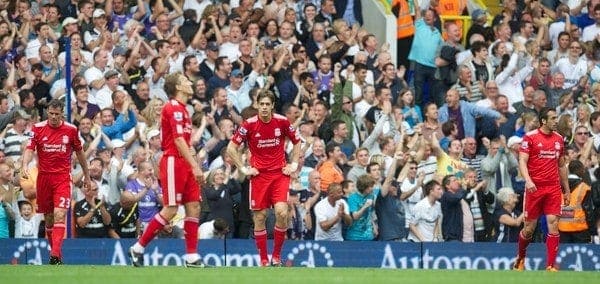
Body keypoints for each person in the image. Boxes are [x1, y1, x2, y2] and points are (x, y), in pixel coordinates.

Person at [129, 72, 206, 268]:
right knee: (171, 208)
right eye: (185, 80)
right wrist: (196, 165)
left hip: (185, 162)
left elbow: (186, 142)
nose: (190, 82)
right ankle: (138, 247)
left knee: (194, 206)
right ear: (178, 87)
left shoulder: (184, 109)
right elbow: (179, 141)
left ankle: (191, 257)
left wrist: (193, 161)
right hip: (173, 162)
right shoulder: (172, 107)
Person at [226, 90, 301, 267]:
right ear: (258, 105)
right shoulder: (249, 125)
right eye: (262, 104)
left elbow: (297, 141)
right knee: (260, 218)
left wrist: (294, 164)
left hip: (279, 175)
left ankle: (276, 256)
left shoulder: (282, 121)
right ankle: (263, 260)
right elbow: (231, 148)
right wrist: (244, 168)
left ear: (272, 106)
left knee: (282, 212)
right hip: (259, 176)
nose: (265, 107)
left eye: (268, 104)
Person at [21, 99, 91, 265]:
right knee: (50, 218)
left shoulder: (71, 130)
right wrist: (24, 164)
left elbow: (80, 153)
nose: (53, 117)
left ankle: (53, 254)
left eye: (56, 114)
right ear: (47, 112)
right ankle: (57, 257)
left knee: (60, 214)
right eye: (50, 114)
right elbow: (29, 149)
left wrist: (86, 175)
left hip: (62, 178)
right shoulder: (37, 128)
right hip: (44, 178)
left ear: (61, 114)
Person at [515, 107, 570, 272]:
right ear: (543, 121)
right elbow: (522, 161)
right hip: (534, 189)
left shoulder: (559, 139)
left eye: (556, 118)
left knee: (553, 223)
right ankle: (521, 258)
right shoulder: (530, 138)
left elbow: (561, 166)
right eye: (553, 118)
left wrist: (566, 189)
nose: (556, 121)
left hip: (552, 188)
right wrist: (528, 180)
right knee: (529, 229)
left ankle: (551, 265)